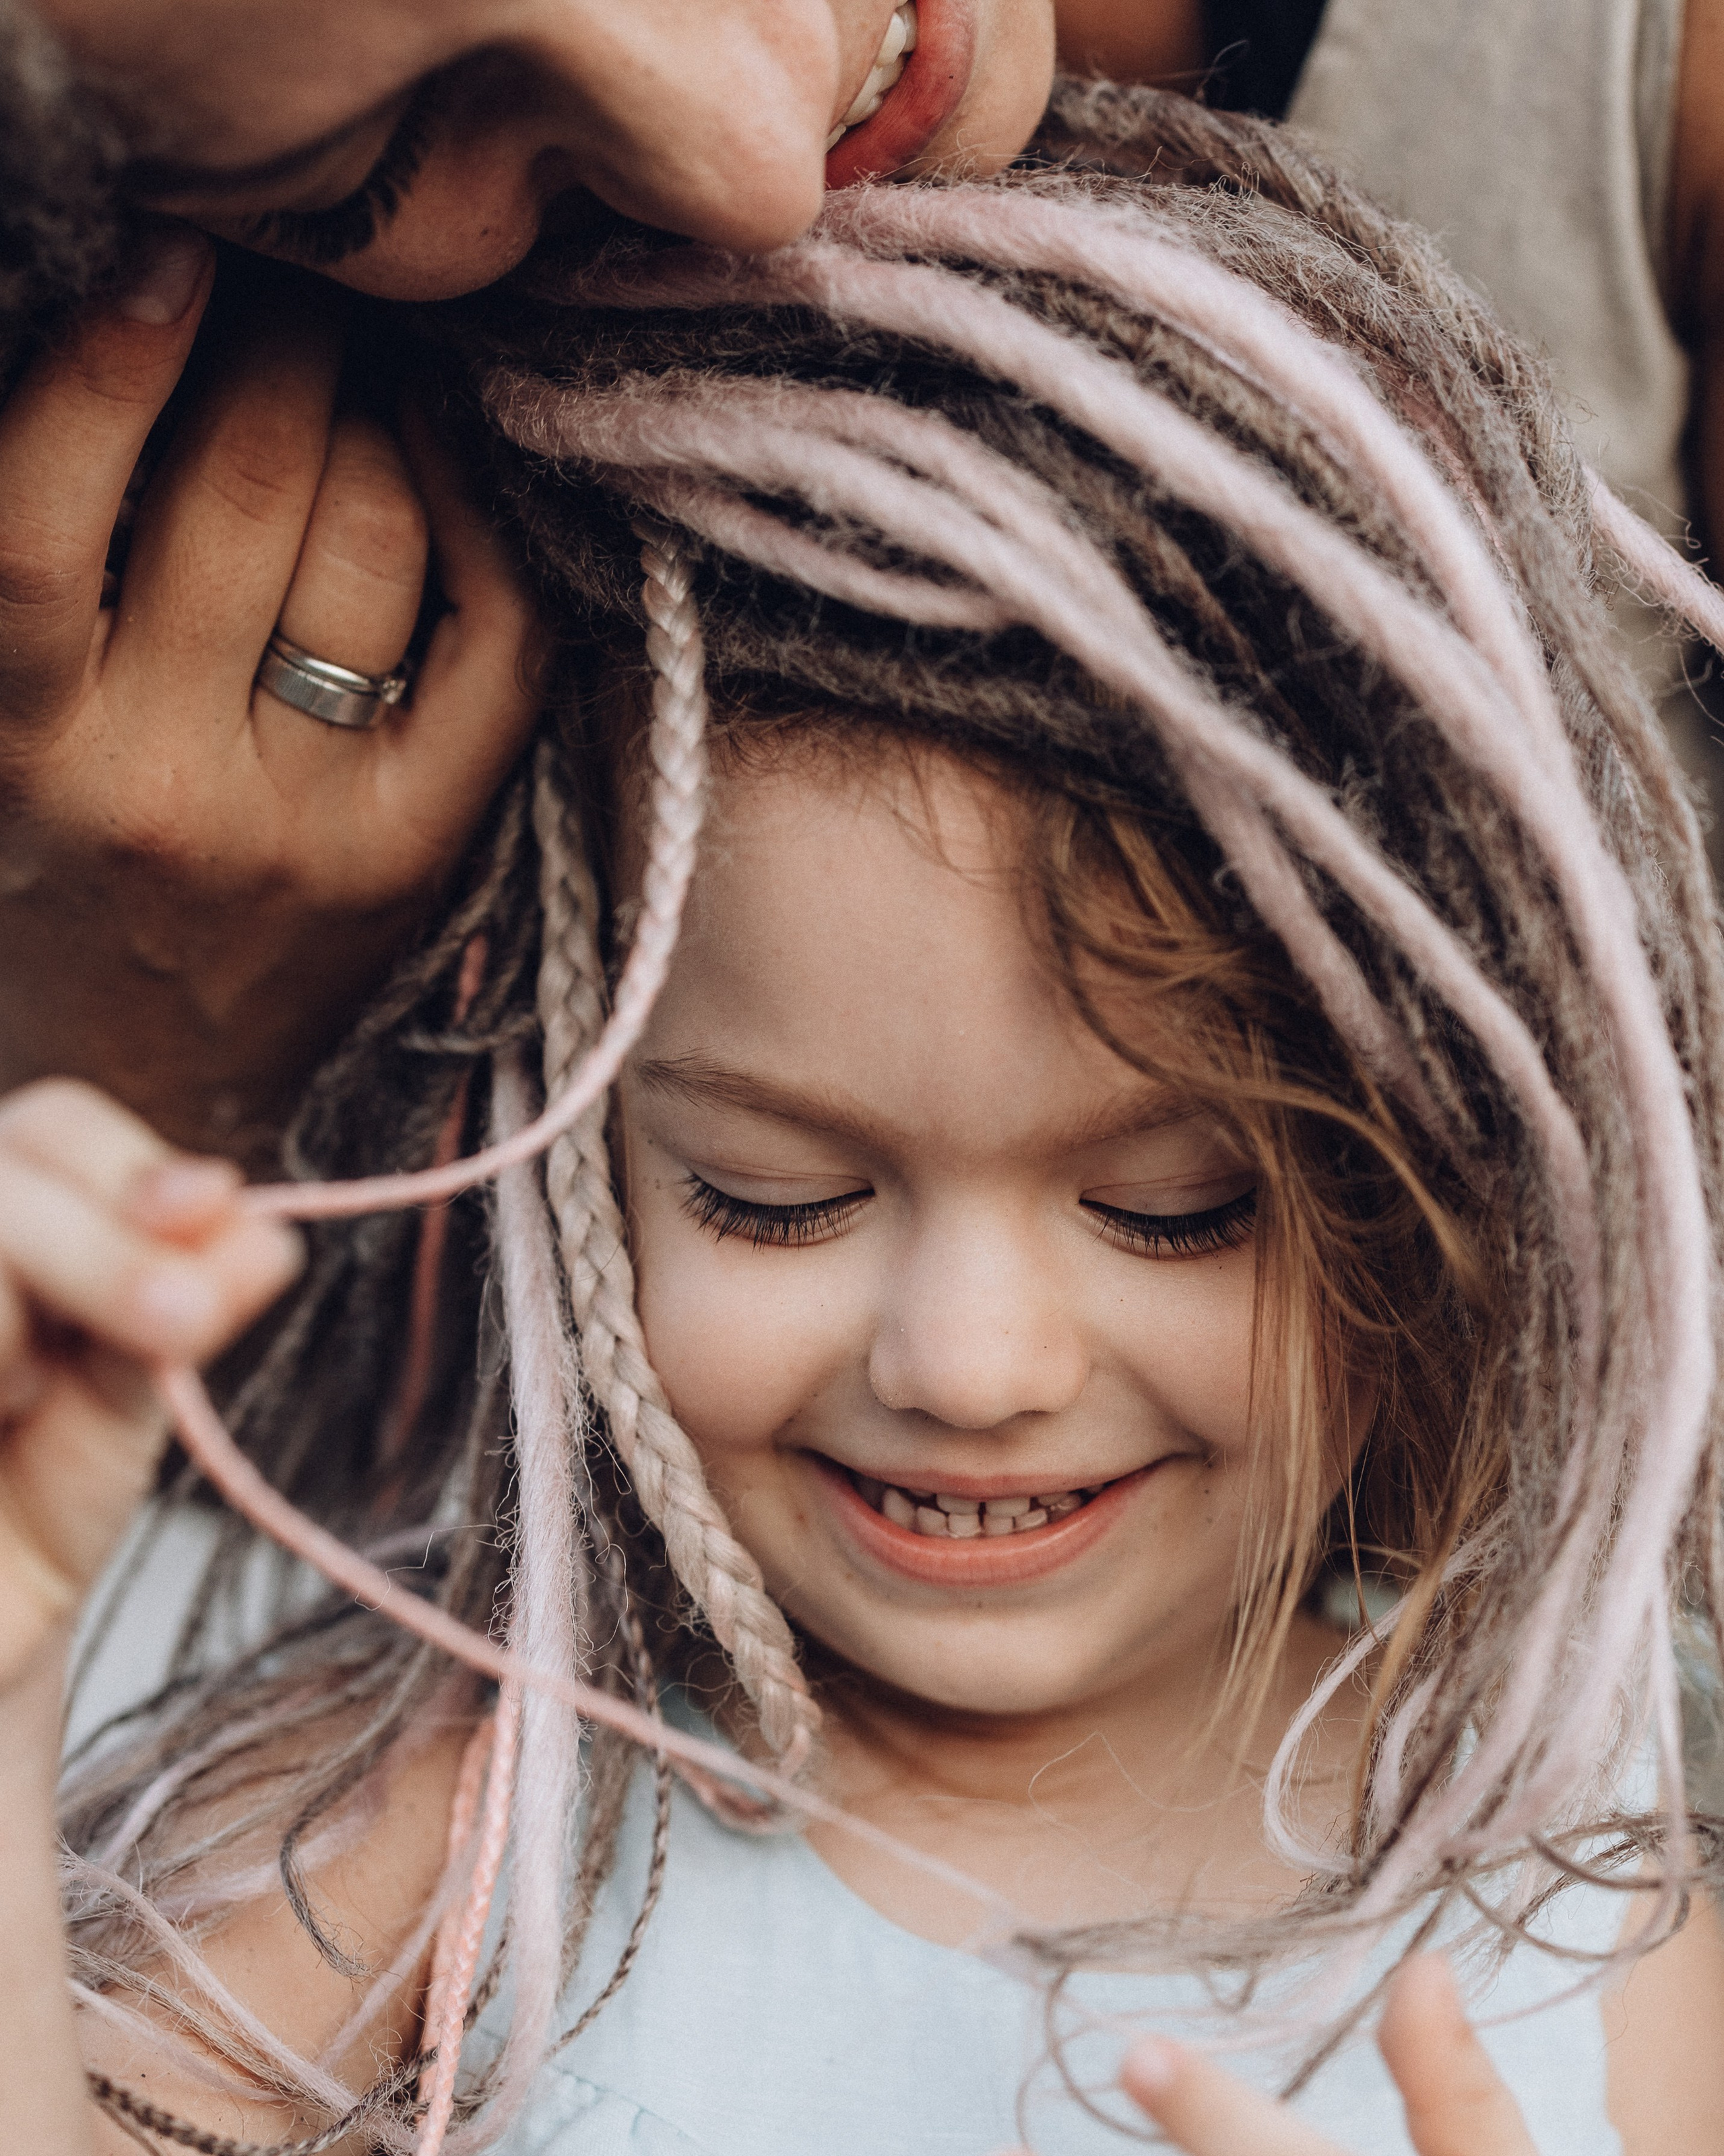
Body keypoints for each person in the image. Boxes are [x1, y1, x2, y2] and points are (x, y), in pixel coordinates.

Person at [5, 89, 1723, 2156]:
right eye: (778, 1197)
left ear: (1451, 1175)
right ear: (575, 1147)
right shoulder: (462, 1830)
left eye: (1176, 1209)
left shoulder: (1600, 1931)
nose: (968, 1367)